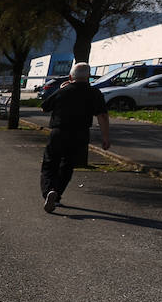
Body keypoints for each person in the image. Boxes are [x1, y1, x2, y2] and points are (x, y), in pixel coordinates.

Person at [40, 62, 110, 212]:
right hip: (80, 133)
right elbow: (102, 116)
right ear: (88, 76)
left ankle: (49, 190)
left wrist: (60, 90)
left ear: (71, 77)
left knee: (50, 164)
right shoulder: (94, 93)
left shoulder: (64, 91)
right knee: (68, 165)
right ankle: (57, 194)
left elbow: (45, 107)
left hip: (59, 131)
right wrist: (105, 137)